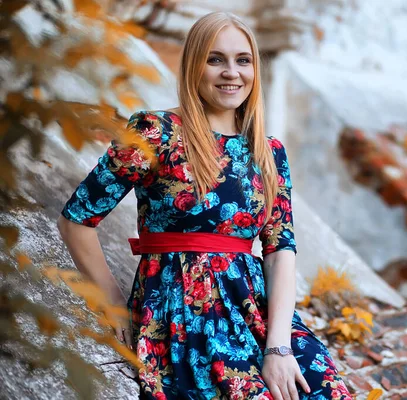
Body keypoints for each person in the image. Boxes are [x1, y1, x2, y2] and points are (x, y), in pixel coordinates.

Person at [57, 11, 352, 400]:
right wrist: (111, 299)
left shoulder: (269, 152)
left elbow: (280, 250)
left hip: (257, 311)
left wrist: (278, 346)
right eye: (216, 59)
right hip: (185, 311)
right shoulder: (156, 132)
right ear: (195, 66)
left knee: (326, 389)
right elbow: (77, 218)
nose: (232, 72)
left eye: (242, 60)